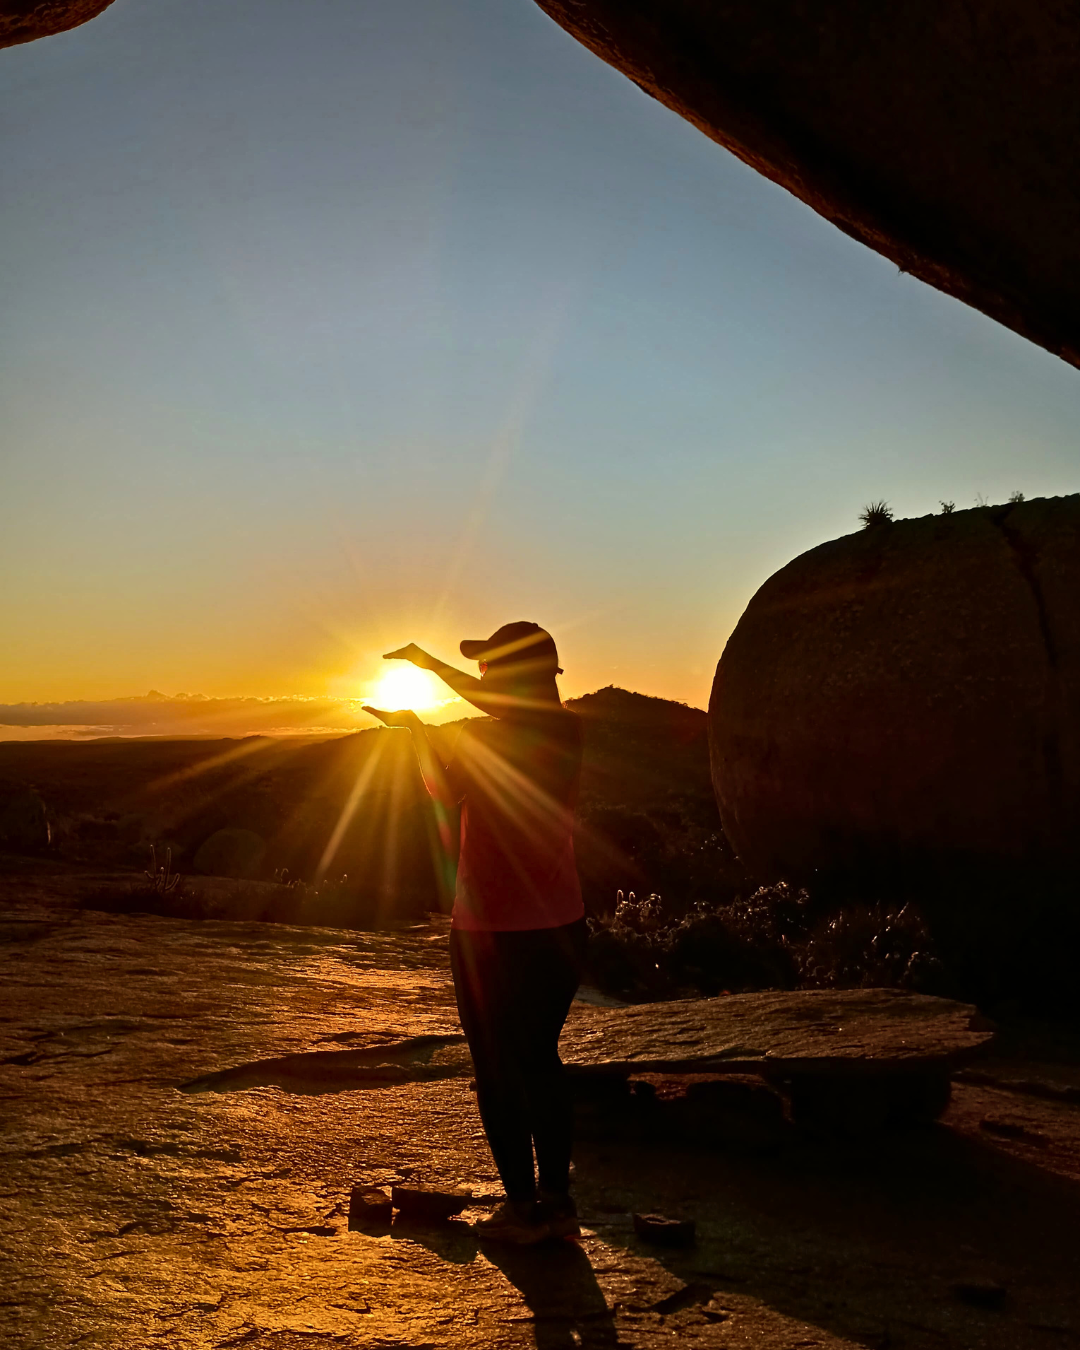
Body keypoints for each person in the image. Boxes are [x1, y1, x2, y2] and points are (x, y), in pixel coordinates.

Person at [363, 621, 586, 1245]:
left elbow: (442, 790)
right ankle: (559, 1205)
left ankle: (523, 1210)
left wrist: (413, 728)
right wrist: (432, 667)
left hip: (491, 930)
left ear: (508, 676)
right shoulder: (568, 729)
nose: (481, 675)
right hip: (562, 925)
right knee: (540, 1060)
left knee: (495, 1067)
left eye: (488, 665)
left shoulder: (490, 738)